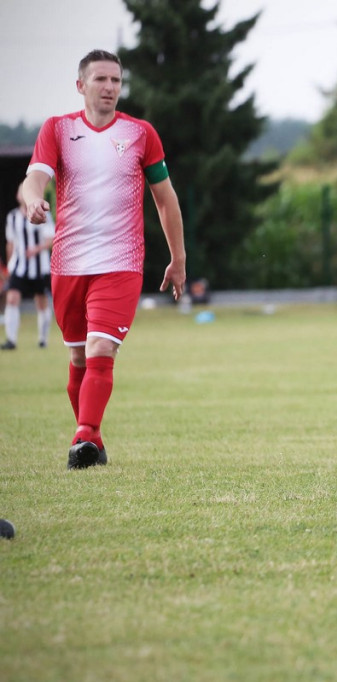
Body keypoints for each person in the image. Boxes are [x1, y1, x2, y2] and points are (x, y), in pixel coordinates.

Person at [21, 49, 186, 470]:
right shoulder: (57, 130)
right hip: (69, 264)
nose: (110, 87)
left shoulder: (140, 133)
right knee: (78, 357)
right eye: (100, 80)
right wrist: (33, 199)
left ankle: (81, 439)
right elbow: (34, 178)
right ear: (81, 86)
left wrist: (178, 256)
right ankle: (93, 435)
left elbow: (164, 199)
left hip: (121, 261)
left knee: (101, 348)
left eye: (115, 80)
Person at [3, 184, 55, 350]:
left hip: (39, 268)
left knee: (41, 302)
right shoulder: (12, 217)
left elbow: (50, 239)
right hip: (20, 267)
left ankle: (42, 339)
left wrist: (35, 250)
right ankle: (11, 339)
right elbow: (10, 244)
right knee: (12, 298)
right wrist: (10, 266)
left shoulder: (42, 213)